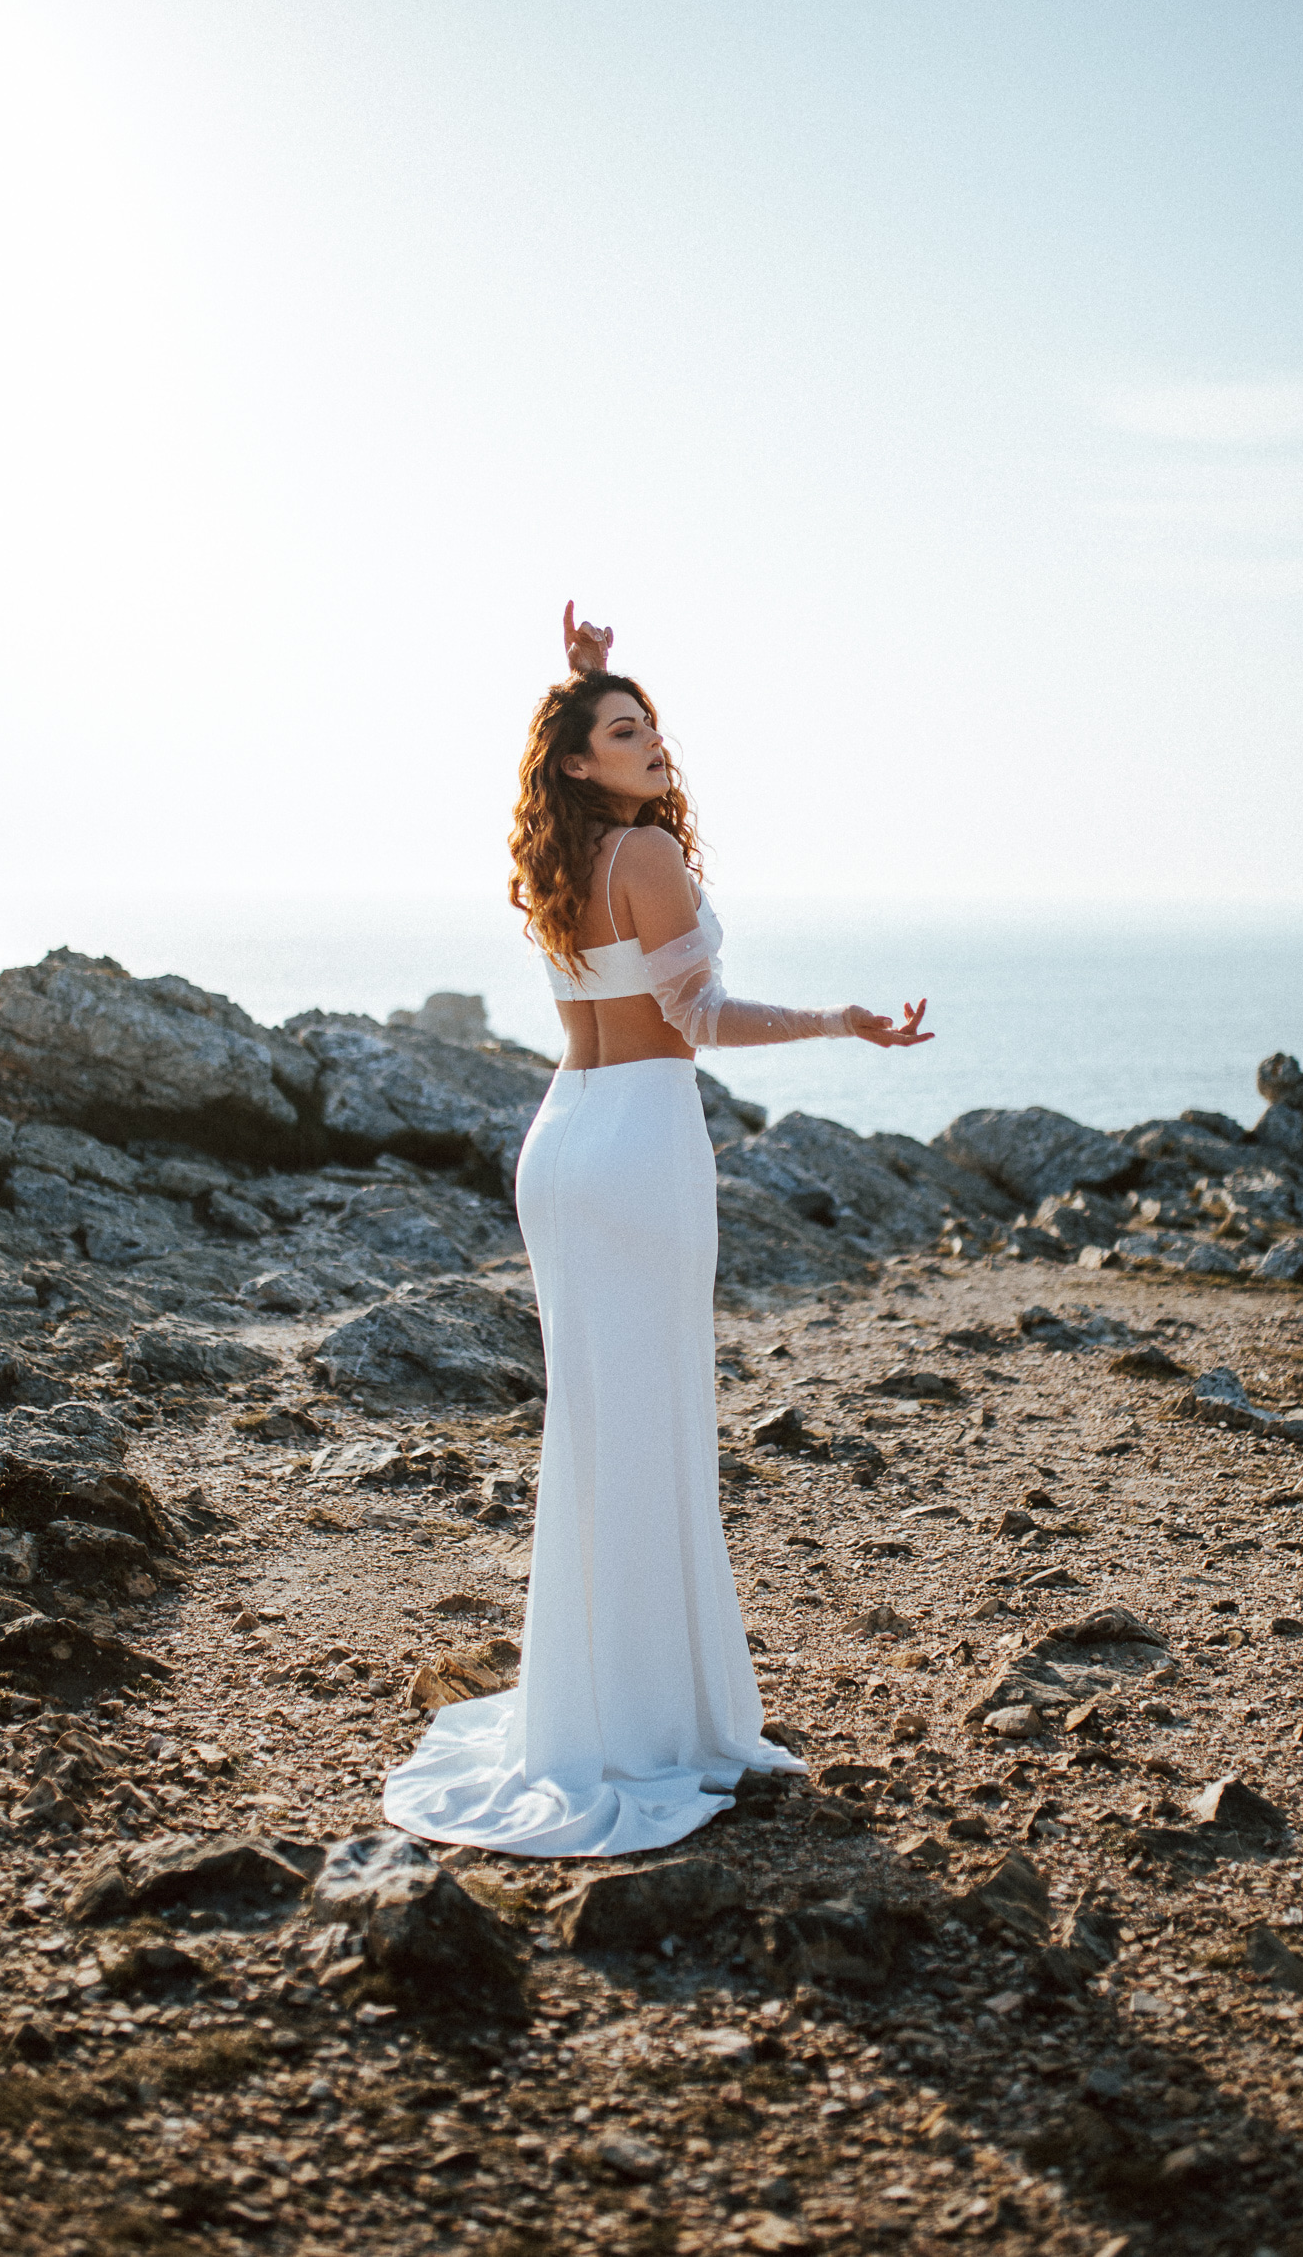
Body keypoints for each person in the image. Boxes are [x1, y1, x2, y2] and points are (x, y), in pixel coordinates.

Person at [382, 607, 933, 1856]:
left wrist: (585, 684)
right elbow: (697, 1020)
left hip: (562, 1139)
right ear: (584, 763)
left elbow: (629, 954)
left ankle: (599, 1706)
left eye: (653, 726)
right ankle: (647, 1728)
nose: (653, 743)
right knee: (649, 1429)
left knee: (597, 1430)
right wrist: (842, 1021)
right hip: (637, 1144)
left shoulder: (562, 853)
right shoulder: (643, 852)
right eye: (626, 732)